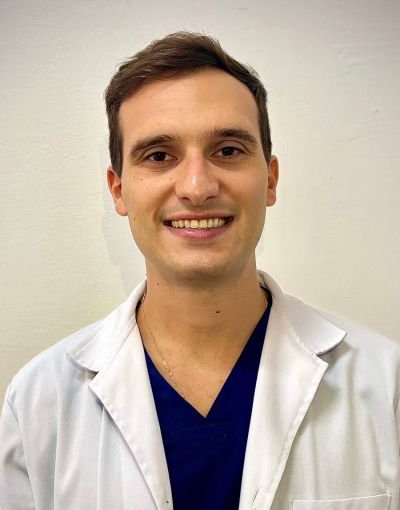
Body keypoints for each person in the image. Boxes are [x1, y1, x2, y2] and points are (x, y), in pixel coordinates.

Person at [0, 32, 399, 510]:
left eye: (227, 150)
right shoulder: (40, 402)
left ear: (270, 180)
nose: (196, 186)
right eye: (159, 156)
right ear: (119, 190)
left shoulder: (384, 384)